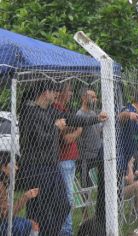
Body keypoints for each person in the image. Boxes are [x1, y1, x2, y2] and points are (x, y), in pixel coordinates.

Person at [18, 80, 108, 235]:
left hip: (51, 166)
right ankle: (39, 232)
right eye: (54, 91)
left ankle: (48, 232)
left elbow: (73, 119)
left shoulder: (49, 111)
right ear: (46, 92)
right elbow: (39, 141)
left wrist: (96, 118)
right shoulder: (30, 112)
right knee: (40, 208)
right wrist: (56, 128)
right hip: (37, 168)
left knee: (63, 205)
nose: (56, 94)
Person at [52, 83, 82, 236]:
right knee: (67, 197)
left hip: (70, 158)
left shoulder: (66, 110)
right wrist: (77, 130)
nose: (71, 93)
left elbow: (71, 130)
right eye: (68, 90)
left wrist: (74, 129)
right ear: (61, 92)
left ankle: (65, 229)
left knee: (68, 196)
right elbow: (66, 139)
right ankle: (66, 231)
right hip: (63, 159)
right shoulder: (56, 109)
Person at [0, 151, 39, 236]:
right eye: (13, 164)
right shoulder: (1, 186)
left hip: (3, 219)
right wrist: (26, 197)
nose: (17, 168)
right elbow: (6, 214)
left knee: (33, 224)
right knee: (29, 226)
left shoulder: (5, 181)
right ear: (3, 167)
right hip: (2, 222)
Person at [76, 87, 103, 187]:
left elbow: (98, 130)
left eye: (96, 97)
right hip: (86, 156)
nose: (95, 100)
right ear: (84, 98)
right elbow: (79, 136)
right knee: (86, 183)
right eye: (92, 97)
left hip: (97, 153)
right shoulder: (79, 114)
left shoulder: (93, 113)